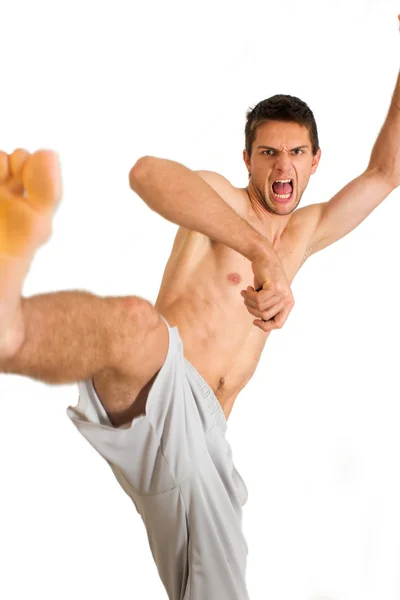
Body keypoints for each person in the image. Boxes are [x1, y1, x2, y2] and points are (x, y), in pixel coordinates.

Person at [1, 39, 399, 600]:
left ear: (314, 162)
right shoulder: (220, 202)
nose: (282, 165)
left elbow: (385, 173)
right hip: (165, 385)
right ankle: (11, 331)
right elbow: (147, 174)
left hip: (207, 439)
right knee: (137, 324)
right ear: (247, 160)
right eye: (267, 152)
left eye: (295, 152)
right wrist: (258, 251)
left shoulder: (306, 232)